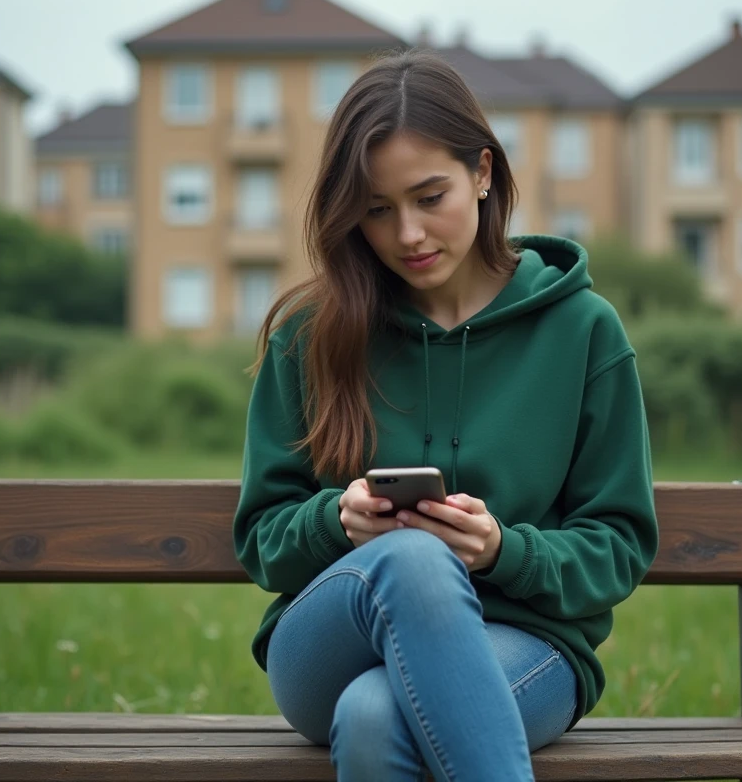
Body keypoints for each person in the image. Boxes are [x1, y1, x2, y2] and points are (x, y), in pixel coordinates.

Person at [233, 48, 658, 782]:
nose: (407, 236)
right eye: (375, 210)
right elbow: (262, 535)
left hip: (529, 646)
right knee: (412, 557)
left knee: (374, 718)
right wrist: (338, 522)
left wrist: (501, 551)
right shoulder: (309, 337)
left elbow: (618, 544)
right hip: (330, 646)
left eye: (430, 197)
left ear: (484, 173)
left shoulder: (584, 331)